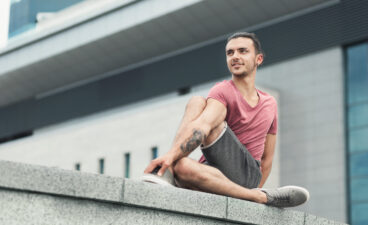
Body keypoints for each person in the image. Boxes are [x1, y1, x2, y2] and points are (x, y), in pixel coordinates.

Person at [143, 32, 309, 207]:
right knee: (182, 161)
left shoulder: (269, 103)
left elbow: (267, 159)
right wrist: (171, 159)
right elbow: (203, 125)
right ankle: (256, 196)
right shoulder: (222, 90)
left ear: (258, 59)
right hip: (213, 174)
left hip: (246, 173)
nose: (235, 57)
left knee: (212, 121)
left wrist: (256, 188)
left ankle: (253, 194)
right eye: (230, 53)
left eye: (243, 51)